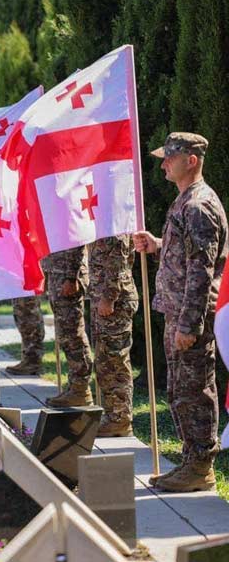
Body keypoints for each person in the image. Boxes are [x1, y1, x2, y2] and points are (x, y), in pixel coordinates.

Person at [134, 132, 227, 492]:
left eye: (169, 157)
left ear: (191, 160)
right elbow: (186, 258)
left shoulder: (198, 206)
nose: (162, 164)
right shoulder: (185, 202)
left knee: (194, 391)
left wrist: (189, 324)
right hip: (178, 314)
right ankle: (192, 461)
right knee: (180, 391)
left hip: (191, 318)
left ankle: (201, 465)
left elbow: (202, 271)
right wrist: (157, 246)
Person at [88, 235, 138, 437]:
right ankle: (113, 415)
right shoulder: (105, 220)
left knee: (115, 360)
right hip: (105, 301)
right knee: (105, 361)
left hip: (115, 303)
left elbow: (117, 261)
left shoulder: (114, 224)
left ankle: (120, 418)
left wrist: (109, 297)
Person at [42, 246, 94, 407]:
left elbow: (76, 239)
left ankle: (81, 388)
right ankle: (74, 386)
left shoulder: (67, 218)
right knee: (65, 334)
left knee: (73, 334)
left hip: (67, 276)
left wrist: (72, 276)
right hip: (57, 272)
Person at [6, 296, 46, 375]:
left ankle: (32, 362)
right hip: (21, 285)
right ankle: (29, 359)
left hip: (27, 286)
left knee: (28, 315)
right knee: (23, 316)